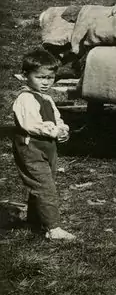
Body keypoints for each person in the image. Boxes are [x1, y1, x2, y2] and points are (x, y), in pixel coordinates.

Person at [11, 49, 75, 241]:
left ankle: (35, 220)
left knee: (42, 183)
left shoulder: (46, 97)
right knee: (45, 186)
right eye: (40, 77)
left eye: (50, 77)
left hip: (48, 147)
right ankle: (52, 228)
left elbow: (56, 117)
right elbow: (31, 125)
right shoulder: (25, 99)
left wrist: (62, 129)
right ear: (25, 76)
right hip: (30, 147)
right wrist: (53, 131)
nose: (46, 82)